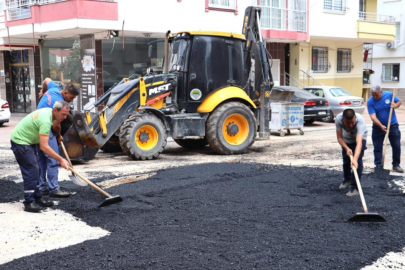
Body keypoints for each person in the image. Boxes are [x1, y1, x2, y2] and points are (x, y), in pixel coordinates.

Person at [10, 101, 70, 213]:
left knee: (36, 169)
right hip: (21, 142)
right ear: (55, 111)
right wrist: (61, 159)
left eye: (67, 114)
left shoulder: (49, 114)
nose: (65, 117)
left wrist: (57, 135)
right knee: (32, 170)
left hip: (29, 142)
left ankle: (37, 197)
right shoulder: (46, 120)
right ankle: (29, 202)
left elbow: (42, 140)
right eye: (63, 114)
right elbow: (44, 147)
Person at [37, 78, 79, 197]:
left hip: (37, 126)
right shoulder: (58, 103)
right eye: (71, 98)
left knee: (41, 159)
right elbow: (56, 125)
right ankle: (54, 188)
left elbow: (45, 80)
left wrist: (43, 92)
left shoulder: (54, 88)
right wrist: (58, 135)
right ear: (65, 93)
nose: (71, 101)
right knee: (53, 158)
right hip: (46, 126)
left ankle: (42, 187)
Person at [367, 85, 403, 173]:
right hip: (377, 128)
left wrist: (395, 105)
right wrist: (380, 126)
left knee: (396, 146)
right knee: (377, 147)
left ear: (381, 92)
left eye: (376, 95)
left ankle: (396, 165)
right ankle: (378, 165)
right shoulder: (370, 102)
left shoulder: (390, 95)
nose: (375, 97)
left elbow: (399, 102)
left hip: (393, 126)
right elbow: (373, 116)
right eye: (373, 95)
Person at [336, 109, 367, 196]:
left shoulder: (360, 121)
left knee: (357, 163)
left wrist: (355, 159)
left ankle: (355, 188)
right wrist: (346, 148)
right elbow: (339, 138)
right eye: (347, 123)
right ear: (343, 119)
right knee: (346, 161)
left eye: (352, 122)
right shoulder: (338, 119)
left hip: (360, 139)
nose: (350, 125)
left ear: (355, 118)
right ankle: (347, 180)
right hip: (346, 140)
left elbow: (359, 143)